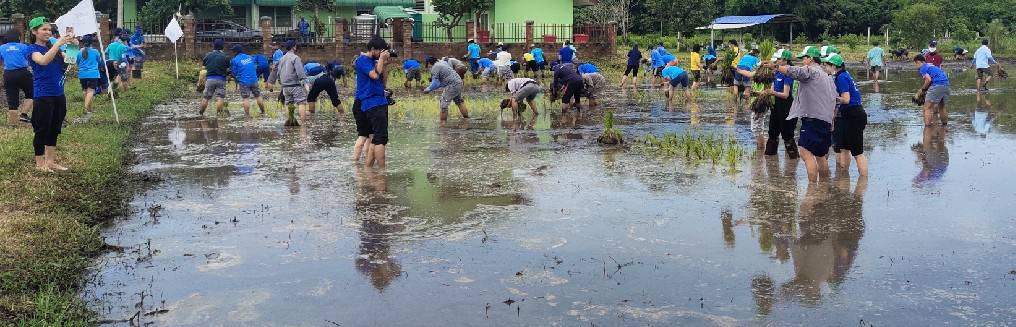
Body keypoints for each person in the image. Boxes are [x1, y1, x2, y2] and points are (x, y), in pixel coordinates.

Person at [771, 46, 838, 182]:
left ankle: (812, 187)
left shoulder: (811, 70)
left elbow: (795, 71)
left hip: (812, 119)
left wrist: (777, 67)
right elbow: (834, 100)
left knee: (805, 151)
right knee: (820, 155)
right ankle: (824, 185)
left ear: (811, 59)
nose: (803, 61)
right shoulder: (827, 76)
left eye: (804, 58)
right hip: (826, 120)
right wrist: (832, 120)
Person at [27, 17, 74, 172]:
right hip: (43, 94)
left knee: (54, 127)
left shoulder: (54, 47)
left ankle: (50, 161)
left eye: (49, 29)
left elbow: (70, 61)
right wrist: (58, 44)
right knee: (42, 129)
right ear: (34, 32)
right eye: (44, 29)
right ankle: (40, 164)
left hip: (58, 93)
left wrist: (74, 47)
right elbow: (43, 61)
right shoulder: (32, 49)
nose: (48, 32)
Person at [822, 53, 868, 176]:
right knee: (844, 148)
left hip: (853, 115)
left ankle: (863, 182)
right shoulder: (844, 75)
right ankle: (844, 178)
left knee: (857, 152)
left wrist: (832, 97)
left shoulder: (841, 77)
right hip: (850, 114)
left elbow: (846, 99)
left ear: (834, 66)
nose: (825, 67)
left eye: (826, 65)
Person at [353, 36, 392, 168]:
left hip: (379, 101)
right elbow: (375, 75)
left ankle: (368, 168)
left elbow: (382, 82)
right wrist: (381, 60)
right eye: (380, 51)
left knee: (375, 139)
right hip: (372, 103)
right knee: (380, 139)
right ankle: (382, 172)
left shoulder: (374, 61)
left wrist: (384, 64)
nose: (382, 53)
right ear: (373, 49)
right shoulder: (363, 60)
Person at [267, 40, 308, 125]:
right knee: (301, 102)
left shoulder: (281, 58)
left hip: (285, 87)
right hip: (295, 85)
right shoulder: (295, 58)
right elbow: (300, 73)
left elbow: (275, 71)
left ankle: (290, 122)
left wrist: (271, 82)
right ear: (294, 47)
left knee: (289, 103)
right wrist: (305, 83)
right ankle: (303, 125)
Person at [423, 56, 469, 126]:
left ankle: (442, 125)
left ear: (429, 63)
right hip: (459, 82)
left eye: (428, 65)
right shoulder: (443, 62)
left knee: (443, 103)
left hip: (452, 85)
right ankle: (467, 120)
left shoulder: (435, 67)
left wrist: (428, 89)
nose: (428, 67)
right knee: (459, 101)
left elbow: (436, 83)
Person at [2, 28, 33, 124]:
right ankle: (23, 115)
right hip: (23, 72)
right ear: (19, 37)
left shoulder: (1, 48)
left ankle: (13, 123)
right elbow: (30, 58)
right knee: (32, 93)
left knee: (12, 98)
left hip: (8, 74)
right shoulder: (24, 47)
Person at [914, 54, 950, 126]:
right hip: (946, 85)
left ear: (918, 62)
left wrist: (922, 90)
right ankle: (944, 126)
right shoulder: (932, 66)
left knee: (927, 107)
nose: (915, 66)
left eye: (915, 64)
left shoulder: (923, 68)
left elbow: (928, 80)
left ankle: (927, 128)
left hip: (937, 85)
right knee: (942, 107)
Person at [230, 44, 265, 116]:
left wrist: (236, 79)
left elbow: (234, 72)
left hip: (244, 81)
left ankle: (247, 116)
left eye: (233, 51)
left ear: (236, 52)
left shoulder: (235, 60)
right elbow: (254, 66)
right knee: (258, 96)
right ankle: (263, 112)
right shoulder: (250, 57)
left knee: (246, 98)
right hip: (254, 79)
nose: (233, 53)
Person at [198, 39, 228, 116]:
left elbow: (203, 68)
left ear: (214, 46)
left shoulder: (208, 55)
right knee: (220, 97)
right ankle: (219, 114)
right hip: (221, 79)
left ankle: (201, 113)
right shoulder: (225, 56)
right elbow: (228, 68)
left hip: (210, 79)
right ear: (222, 47)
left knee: (206, 97)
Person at [76, 34, 102, 113]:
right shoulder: (95, 51)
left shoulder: (79, 52)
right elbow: (99, 61)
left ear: (83, 42)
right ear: (92, 42)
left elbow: (77, 62)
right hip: (93, 74)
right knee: (91, 91)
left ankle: (90, 109)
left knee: (85, 91)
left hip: (82, 74)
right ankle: (85, 108)